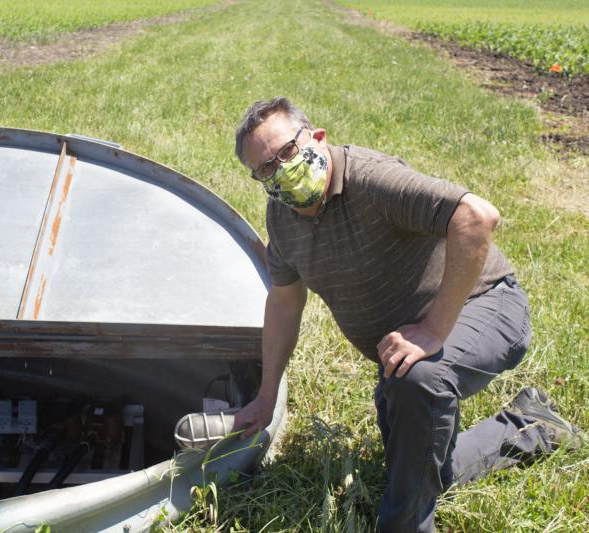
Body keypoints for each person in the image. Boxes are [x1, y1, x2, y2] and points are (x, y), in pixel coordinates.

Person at [230, 96, 582, 532]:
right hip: (403, 350)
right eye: (265, 168)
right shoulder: (282, 218)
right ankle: (530, 424)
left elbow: (476, 216)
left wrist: (434, 330)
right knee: (421, 471)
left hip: (488, 306)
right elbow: (284, 302)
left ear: (317, 138)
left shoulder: (370, 179)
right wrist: (266, 398)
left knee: (419, 383)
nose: (281, 170)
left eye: (286, 152)